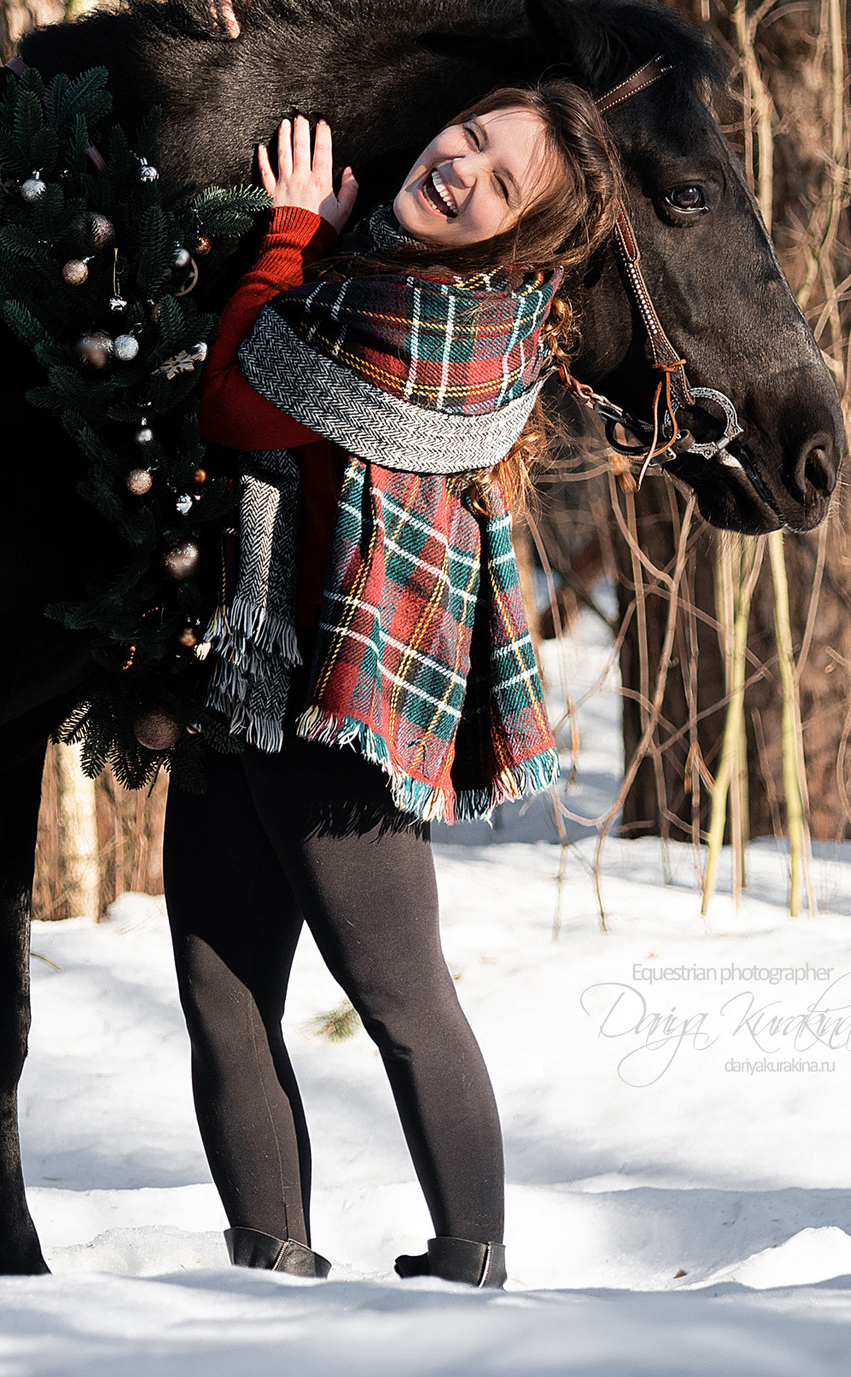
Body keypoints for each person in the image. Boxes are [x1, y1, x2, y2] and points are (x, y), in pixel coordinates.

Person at [168, 82, 624, 1288]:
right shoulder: (392, 281)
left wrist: (290, 229)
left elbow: (234, 397)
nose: (461, 167)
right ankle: (267, 1265)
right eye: (470, 135)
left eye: (501, 179)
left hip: (346, 701)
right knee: (223, 989)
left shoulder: (428, 322)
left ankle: (472, 1260)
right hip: (248, 675)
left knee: (399, 992)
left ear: (516, 235)